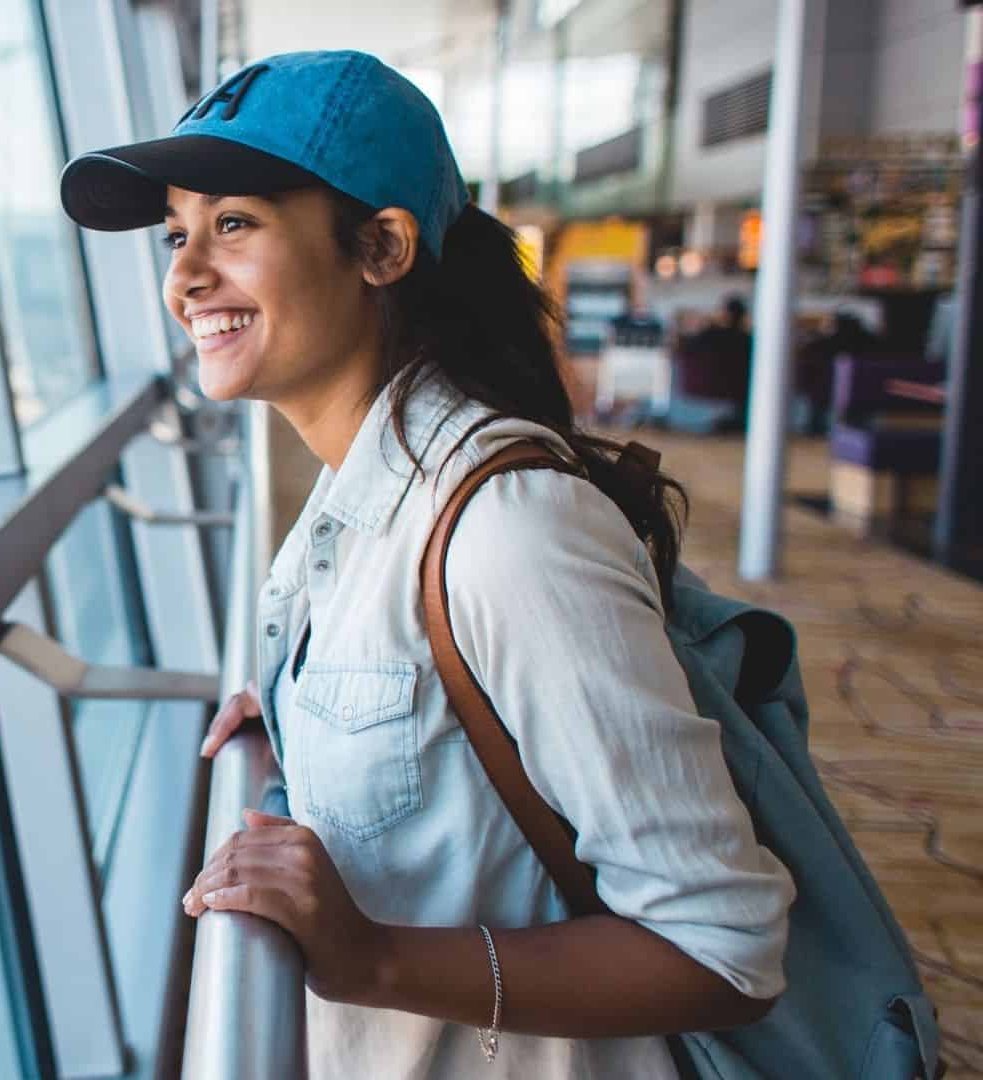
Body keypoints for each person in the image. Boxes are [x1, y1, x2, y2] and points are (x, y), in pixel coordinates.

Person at [61, 51, 793, 1078]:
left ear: (383, 246)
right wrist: (302, 709)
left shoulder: (509, 530)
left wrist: (378, 960)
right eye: (177, 232)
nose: (184, 275)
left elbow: (723, 949)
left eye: (233, 224)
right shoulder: (353, 492)